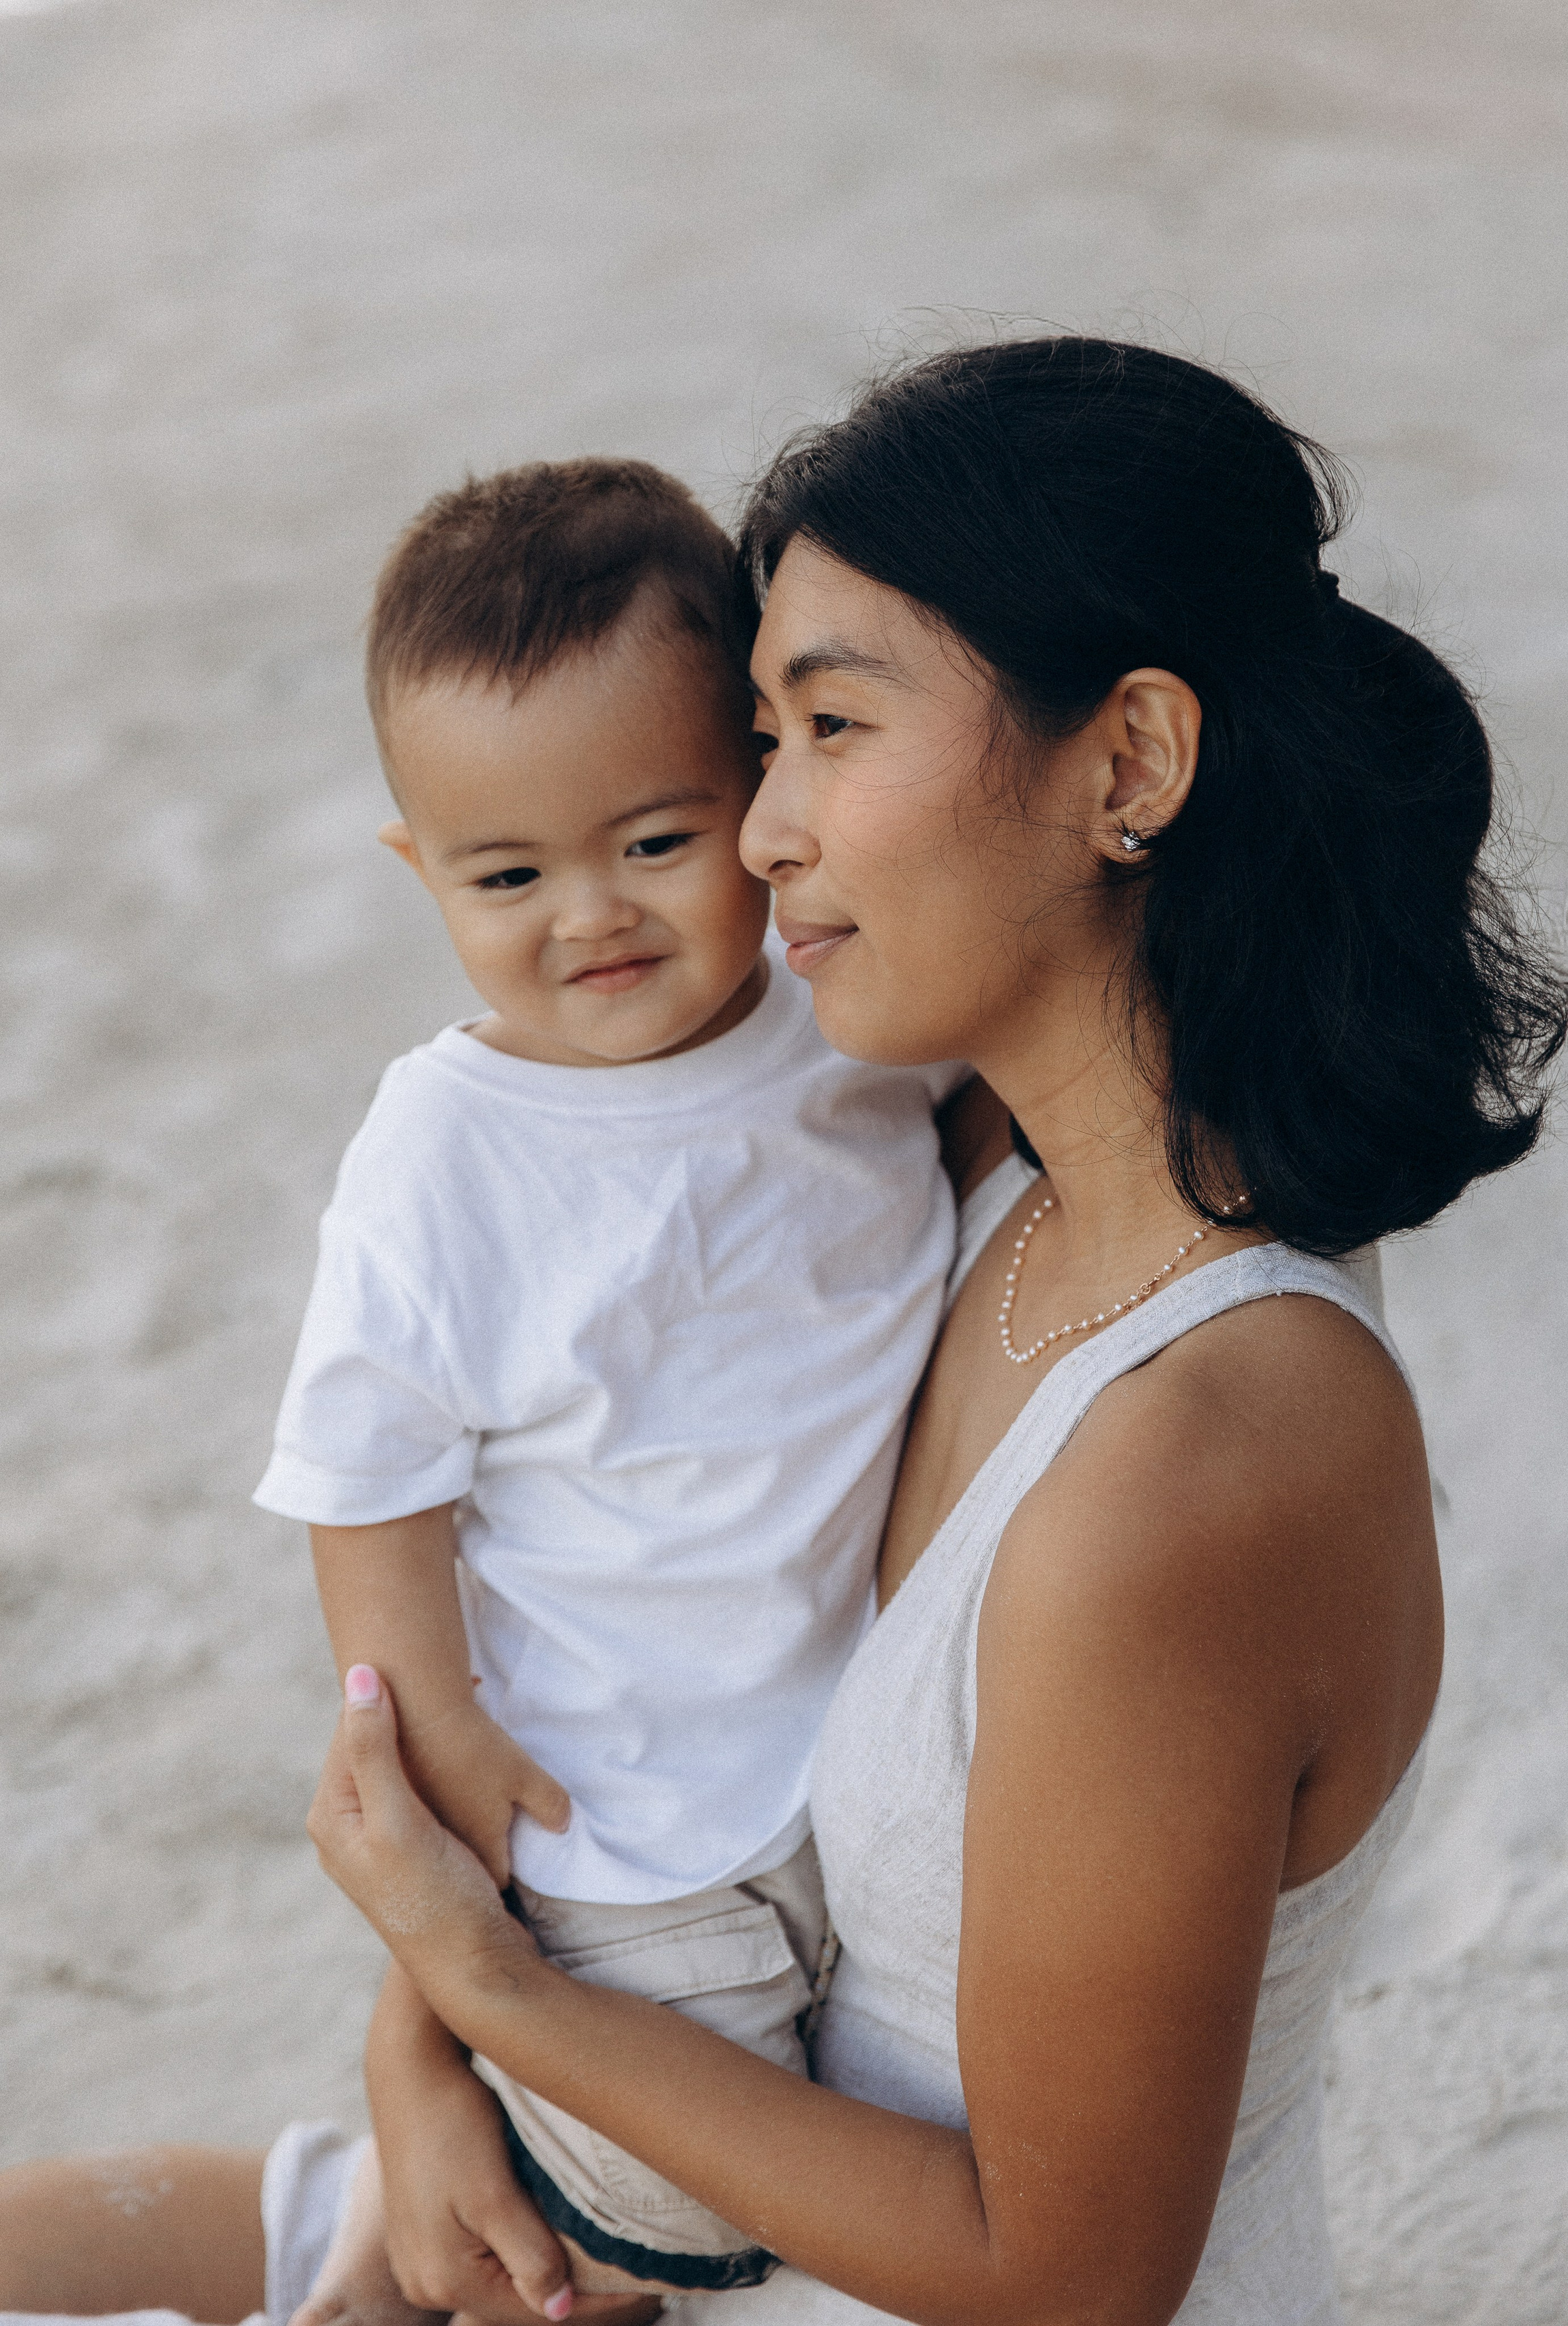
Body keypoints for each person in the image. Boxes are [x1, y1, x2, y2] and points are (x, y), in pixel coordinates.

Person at [0, 338, 1568, 2326]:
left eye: (831, 727)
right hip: (648, 2160)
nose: (755, 832)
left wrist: (485, 1990)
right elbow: (650, 1607)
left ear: (1133, 765)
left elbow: (1066, 2273)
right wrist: (426, 2056)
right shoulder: (975, 1159)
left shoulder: (1202, 1457)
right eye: (760, 739)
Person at [265, 457, 966, 2304]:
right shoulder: (447, 1149)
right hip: (615, 1814)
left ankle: (374, 2208)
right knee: (664, 2231)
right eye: (508, 875)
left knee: (823, 2149)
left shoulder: (850, 1029)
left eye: (656, 841)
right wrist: (435, 1740)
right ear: (423, 869)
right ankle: (384, 2248)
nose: (592, 915)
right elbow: (370, 1476)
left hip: (846, 1754)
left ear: (759, 796)